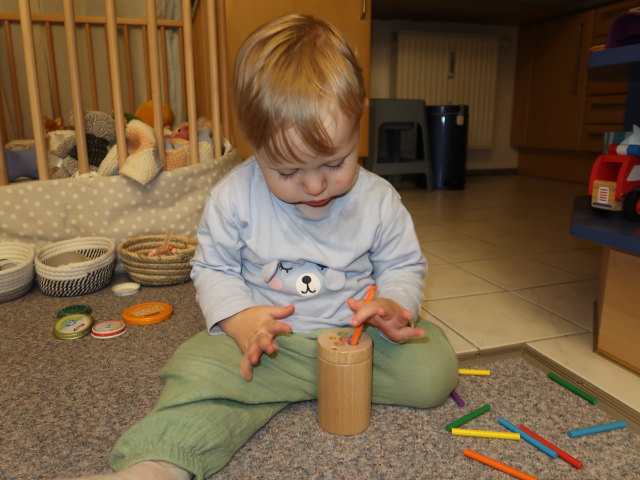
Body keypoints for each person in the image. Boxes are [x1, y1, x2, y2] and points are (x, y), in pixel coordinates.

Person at [76, 13, 458, 480]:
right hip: (270, 347)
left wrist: (396, 307)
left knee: (433, 369)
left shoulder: (379, 200)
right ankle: (157, 464)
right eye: (288, 172)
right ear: (253, 145)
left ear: (360, 117)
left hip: (357, 344)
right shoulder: (232, 198)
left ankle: (297, 386)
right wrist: (241, 322)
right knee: (196, 368)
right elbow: (213, 271)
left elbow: (403, 265)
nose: (317, 185)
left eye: (336, 162)